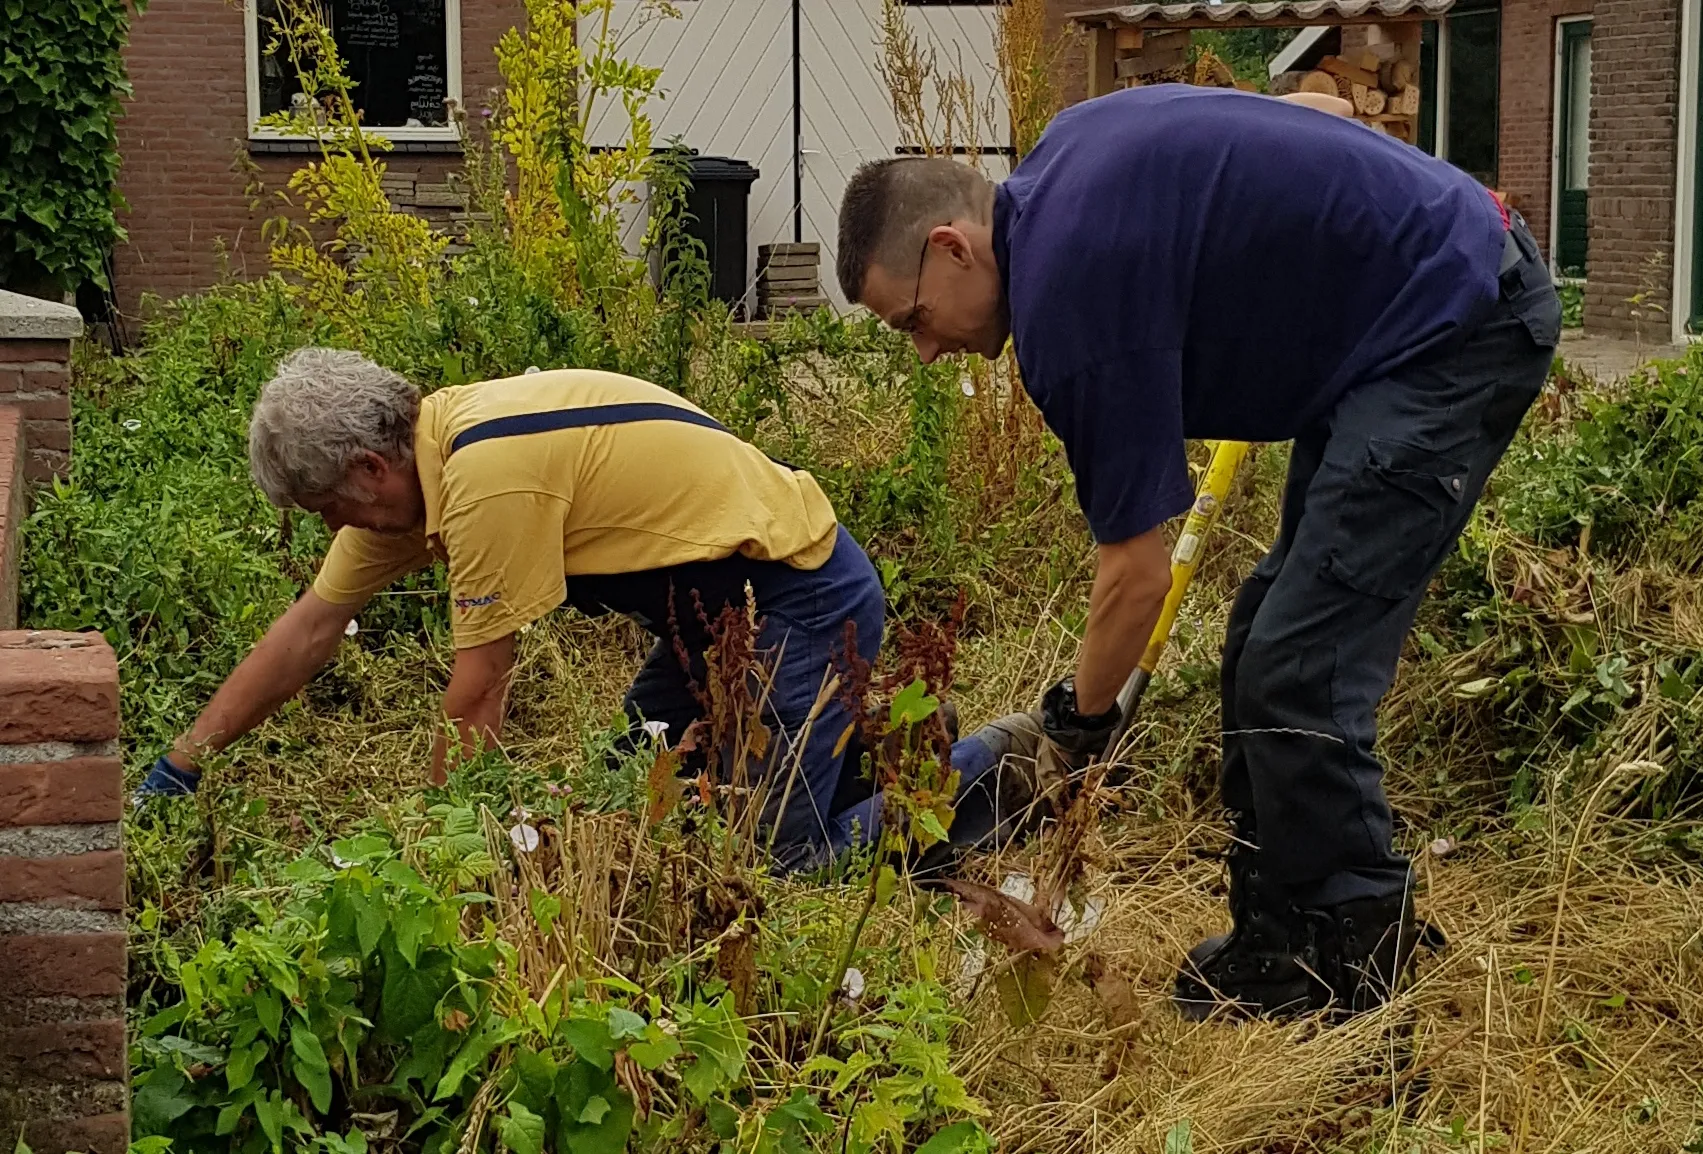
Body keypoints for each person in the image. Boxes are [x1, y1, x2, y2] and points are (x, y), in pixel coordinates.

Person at [835, 85, 1559, 1017]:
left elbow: (1134, 575)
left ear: (950, 247)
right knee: (1262, 639)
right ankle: (1276, 934)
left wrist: (1076, 729)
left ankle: (1355, 968)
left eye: (912, 321)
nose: (927, 352)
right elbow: (1310, 110)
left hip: (1458, 324)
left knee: (1302, 667)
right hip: (1392, 334)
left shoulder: (1066, 308)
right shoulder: (1068, 149)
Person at [135, 348, 1044, 873]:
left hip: (800, 602)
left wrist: (447, 858)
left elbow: (478, 692)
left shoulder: (486, 475)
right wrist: (181, 764)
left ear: (370, 468)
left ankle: (1001, 765)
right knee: (632, 790)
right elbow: (307, 632)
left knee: (773, 865)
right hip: (713, 620)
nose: (338, 530)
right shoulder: (427, 462)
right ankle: (878, 751)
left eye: (331, 510)